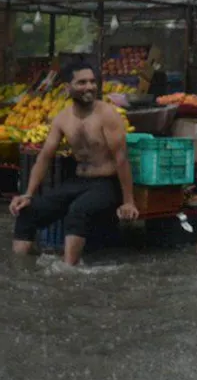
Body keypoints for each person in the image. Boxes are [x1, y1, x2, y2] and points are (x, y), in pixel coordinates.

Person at [10, 61, 139, 265]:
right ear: (67, 88)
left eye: (92, 82)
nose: (89, 87)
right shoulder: (62, 118)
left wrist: (128, 201)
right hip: (78, 181)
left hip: (106, 184)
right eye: (82, 82)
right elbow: (44, 157)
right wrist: (28, 193)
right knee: (27, 212)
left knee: (77, 212)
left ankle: (68, 271)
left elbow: (122, 159)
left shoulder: (107, 114)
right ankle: (18, 267)